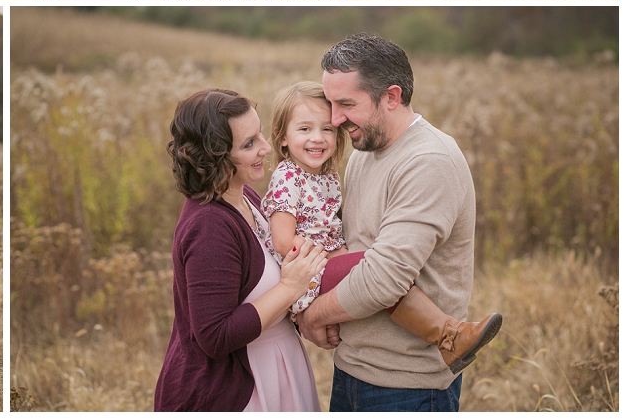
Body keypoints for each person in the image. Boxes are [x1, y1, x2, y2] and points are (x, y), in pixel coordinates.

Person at [295, 34, 495, 412]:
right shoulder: (364, 150)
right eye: (332, 104)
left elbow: (382, 280)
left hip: (407, 387)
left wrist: (313, 316)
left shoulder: (429, 161)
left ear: (391, 96)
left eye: (346, 105)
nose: (335, 120)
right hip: (353, 369)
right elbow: (350, 250)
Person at [262, 82, 500, 372]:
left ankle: (450, 339)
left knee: (376, 272)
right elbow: (284, 242)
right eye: (304, 129)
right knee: (376, 268)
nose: (318, 138)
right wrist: (337, 261)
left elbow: (334, 236)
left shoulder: (327, 178)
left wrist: (343, 259)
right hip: (304, 274)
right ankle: (449, 335)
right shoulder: (288, 177)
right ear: (281, 137)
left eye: (327, 129)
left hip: (321, 265)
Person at [154, 89, 326, 411]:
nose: (265, 146)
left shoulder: (244, 195)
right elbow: (215, 336)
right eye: (248, 143)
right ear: (215, 157)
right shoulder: (209, 226)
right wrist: (291, 287)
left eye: (259, 133)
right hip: (235, 393)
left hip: (277, 371)